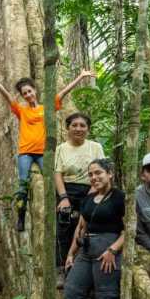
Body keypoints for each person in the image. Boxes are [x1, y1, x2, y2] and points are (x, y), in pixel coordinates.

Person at [0, 66, 95, 231]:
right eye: (24, 93)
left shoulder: (46, 108)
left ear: (35, 90)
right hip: (25, 153)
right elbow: (7, 97)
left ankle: (59, 210)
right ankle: (21, 216)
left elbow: (62, 93)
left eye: (29, 91)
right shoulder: (22, 110)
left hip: (43, 153)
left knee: (51, 181)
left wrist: (80, 76)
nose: (28, 95)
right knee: (23, 185)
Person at [63, 158, 125, 299]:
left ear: (110, 174)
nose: (94, 177)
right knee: (71, 292)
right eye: (90, 174)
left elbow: (130, 229)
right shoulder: (88, 200)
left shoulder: (120, 198)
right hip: (86, 251)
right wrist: (71, 254)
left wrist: (113, 250)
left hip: (107, 252)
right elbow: (81, 227)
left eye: (98, 173)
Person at [54, 113, 105, 270]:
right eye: (74, 125)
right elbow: (57, 173)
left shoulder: (95, 147)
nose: (78, 128)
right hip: (67, 191)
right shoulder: (61, 149)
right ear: (67, 128)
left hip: (92, 190)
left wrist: (92, 193)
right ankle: (63, 267)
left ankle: (85, 267)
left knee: (87, 229)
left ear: (88, 129)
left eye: (82, 126)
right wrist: (63, 197)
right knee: (64, 229)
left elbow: (102, 170)